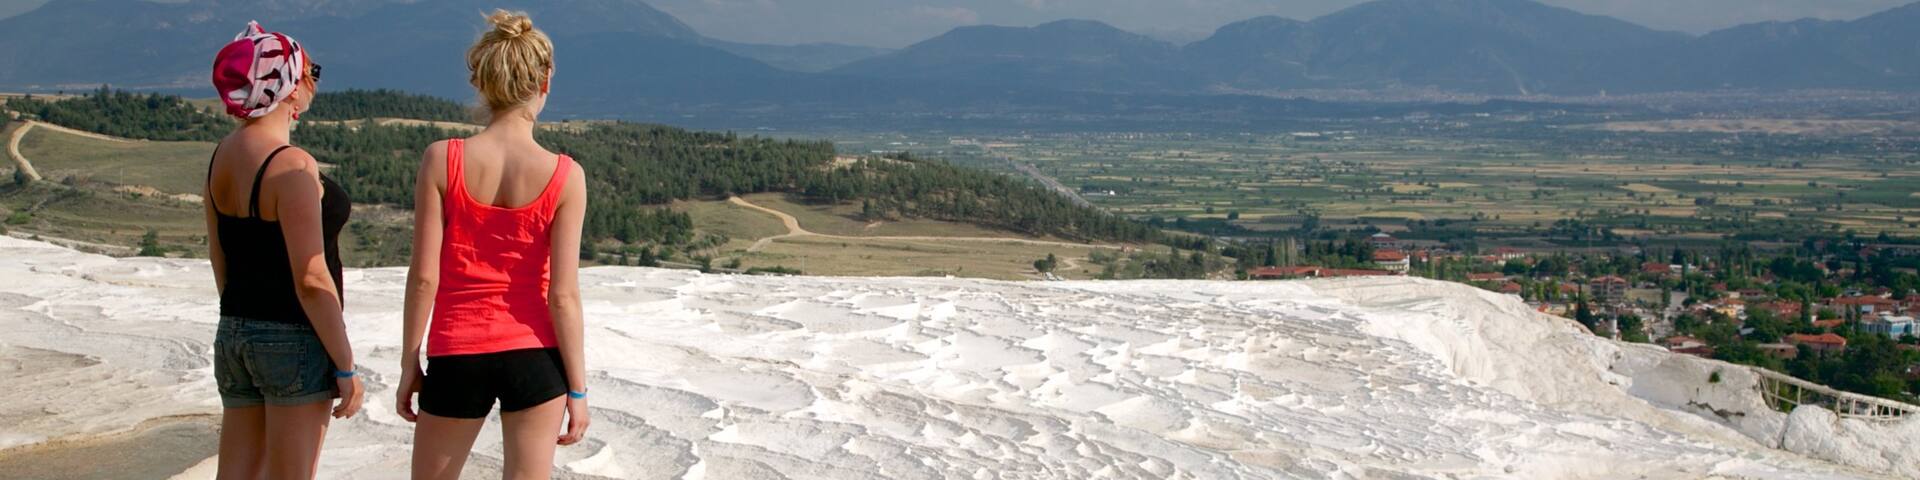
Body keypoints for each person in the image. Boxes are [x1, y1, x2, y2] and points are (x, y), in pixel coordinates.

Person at [396, 10, 590, 479]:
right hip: (534, 355)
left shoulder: (443, 160)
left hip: (457, 351)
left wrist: (409, 364)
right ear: (545, 83)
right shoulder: (566, 176)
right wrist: (579, 393)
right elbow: (562, 295)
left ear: (482, 83)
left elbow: (424, 276)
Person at [203, 21, 362, 479]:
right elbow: (311, 279)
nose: (314, 79)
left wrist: (240, 320)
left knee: (235, 474)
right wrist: (345, 365)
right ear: (287, 86)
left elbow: (220, 256)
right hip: (292, 336)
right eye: (310, 71)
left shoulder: (221, 156)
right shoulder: (292, 166)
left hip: (234, 331)